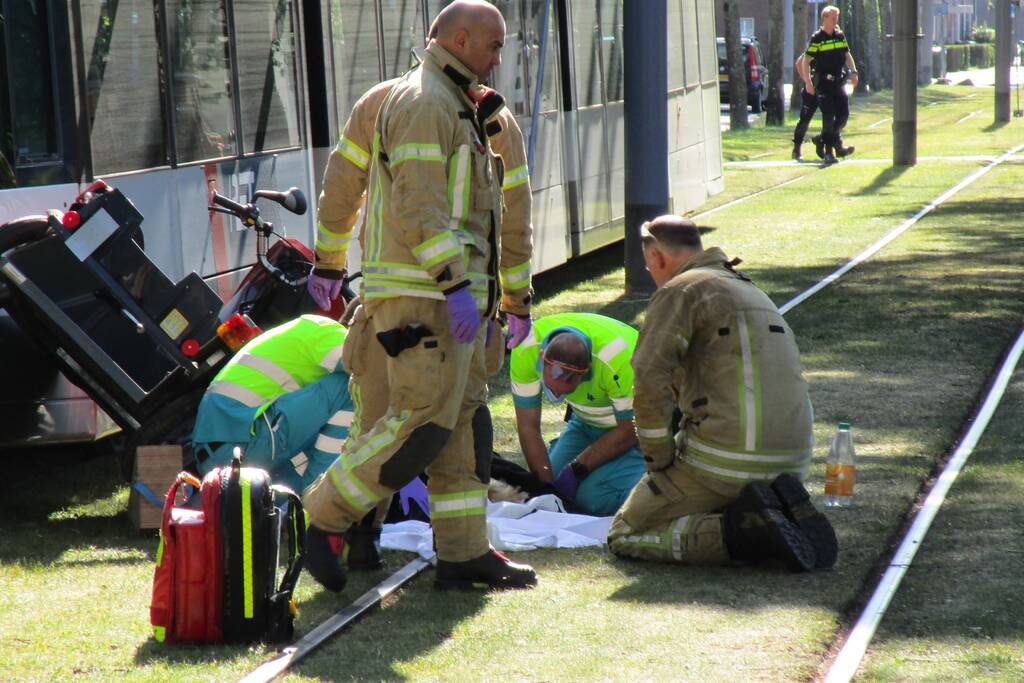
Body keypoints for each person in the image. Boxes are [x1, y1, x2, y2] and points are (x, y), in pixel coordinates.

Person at [302, 0, 537, 593]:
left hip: (444, 300)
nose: (499, 57)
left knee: (459, 430)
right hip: (428, 297)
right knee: (419, 426)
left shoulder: (471, 111)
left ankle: (461, 553)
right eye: (494, 45)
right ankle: (322, 520)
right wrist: (464, 288)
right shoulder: (427, 103)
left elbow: (506, 220)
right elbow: (420, 207)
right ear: (460, 40)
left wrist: (510, 301)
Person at [606, 215, 837, 572]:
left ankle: (746, 534)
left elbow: (649, 378)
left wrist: (659, 461)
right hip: (794, 461)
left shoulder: (680, 290)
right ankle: (770, 512)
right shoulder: (751, 289)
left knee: (625, 532)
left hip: (725, 459)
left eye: (648, 266)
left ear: (656, 257)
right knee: (717, 496)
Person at [191, 315, 353, 496]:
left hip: (220, 453)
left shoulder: (304, 329)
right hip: (240, 443)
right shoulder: (330, 331)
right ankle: (314, 498)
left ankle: (293, 503)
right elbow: (367, 371)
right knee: (351, 388)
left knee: (325, 428)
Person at [509, 313, 646, 516]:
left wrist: (578, 468)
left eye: (566, 389)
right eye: (552, 387)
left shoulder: (620, 359)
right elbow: (528, 427)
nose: (557, 394)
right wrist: (547, 491)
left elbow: (629, 430)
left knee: (590, 500)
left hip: (639, 430)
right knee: (551, 481)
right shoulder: (525, 346)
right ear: (541, 357)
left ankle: (655, 472)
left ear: (586, 371)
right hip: (584, 423)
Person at [800, 5, 858, 164]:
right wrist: (808, 82)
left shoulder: (839, 36)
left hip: (839, 83)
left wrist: (854, 72)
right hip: (824, 84)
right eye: (833, 18)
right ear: (825, 18)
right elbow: (805, 61)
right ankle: (830, 152)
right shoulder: (817, 38)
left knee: (843, 116)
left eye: (836, 18)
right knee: (829, 117)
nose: (835, 21)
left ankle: (821, 139)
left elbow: (847, 55)